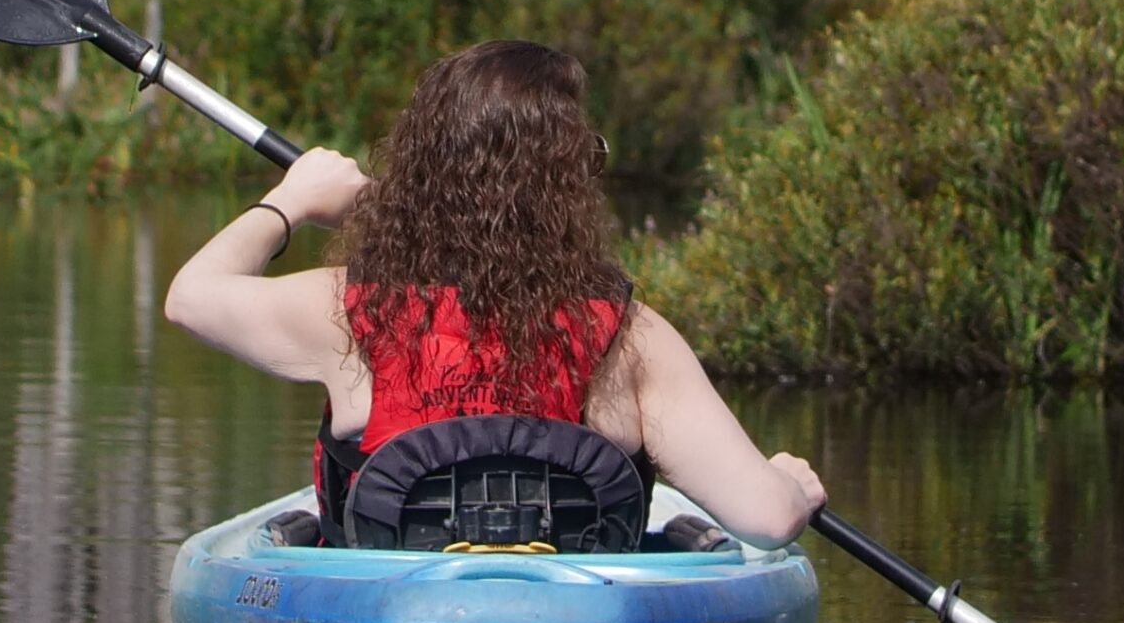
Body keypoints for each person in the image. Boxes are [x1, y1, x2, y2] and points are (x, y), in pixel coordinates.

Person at [164, 40, 826, 549]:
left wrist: (293, 201)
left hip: (388, 608)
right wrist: (792, 485)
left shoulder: (347, 313)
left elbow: (191, 296)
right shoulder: (629, 338)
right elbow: (767, 519)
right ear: (566, 190)